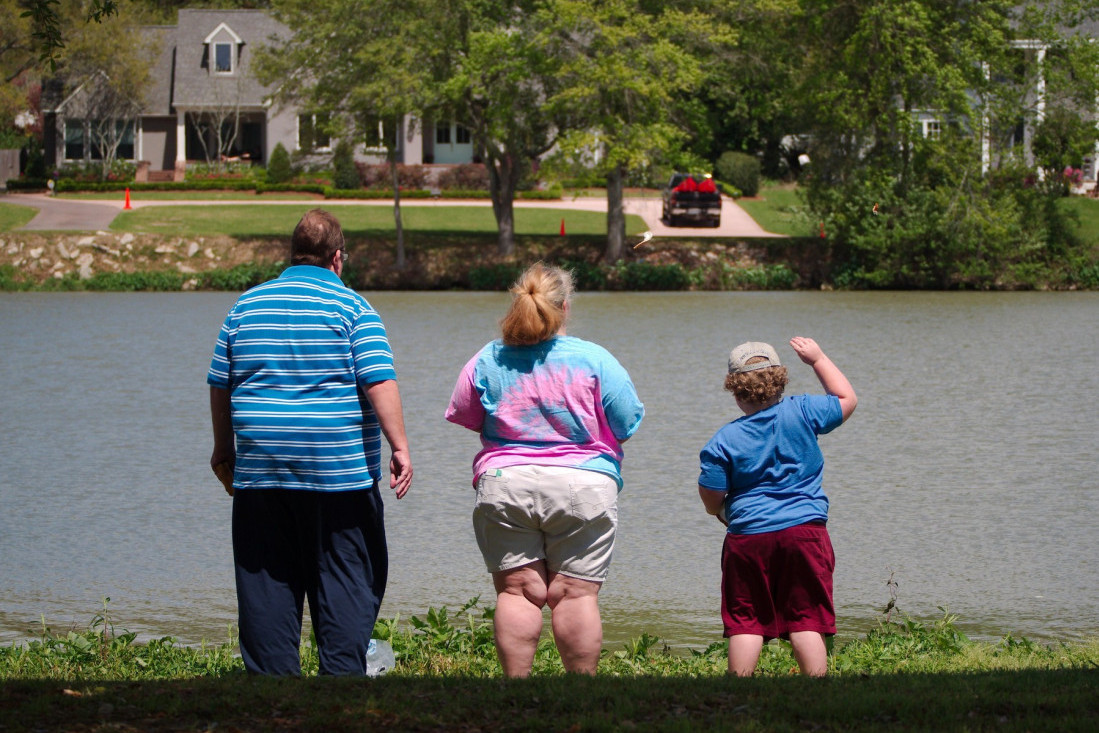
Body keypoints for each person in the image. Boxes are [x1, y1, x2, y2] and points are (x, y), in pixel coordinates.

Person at [207, 208, 412, 676]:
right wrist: (399, 445)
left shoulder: (245, 307)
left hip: (262, 474)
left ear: (292, 254)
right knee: (346, 578)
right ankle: (341, 678)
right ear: (337, 258)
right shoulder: (354, 308)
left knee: (266, 583)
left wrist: (224, 450)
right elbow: (378, 379)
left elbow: (220, 382)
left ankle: (274, 686)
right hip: (339, 477)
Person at [445, 263, 644, 677]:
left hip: (506, 482)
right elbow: (626, 423)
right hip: (585, 483)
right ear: (565, 308)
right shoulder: (594, 359)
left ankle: (517, 690)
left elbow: (466, 414)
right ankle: (580, 692)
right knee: (575, 596)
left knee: (518, 592)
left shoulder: (487, 357)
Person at [697, 337, 856, 677]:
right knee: (806, 618)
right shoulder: (803, 411)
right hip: (805, 533)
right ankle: (816, 685)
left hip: (748, 539)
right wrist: (817, 359)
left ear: (735, 391)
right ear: (781, 380)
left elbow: (711, 494)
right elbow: (846, 399)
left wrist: (722, 512)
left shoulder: (722, 441)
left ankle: (738, 685)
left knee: (746, 621)